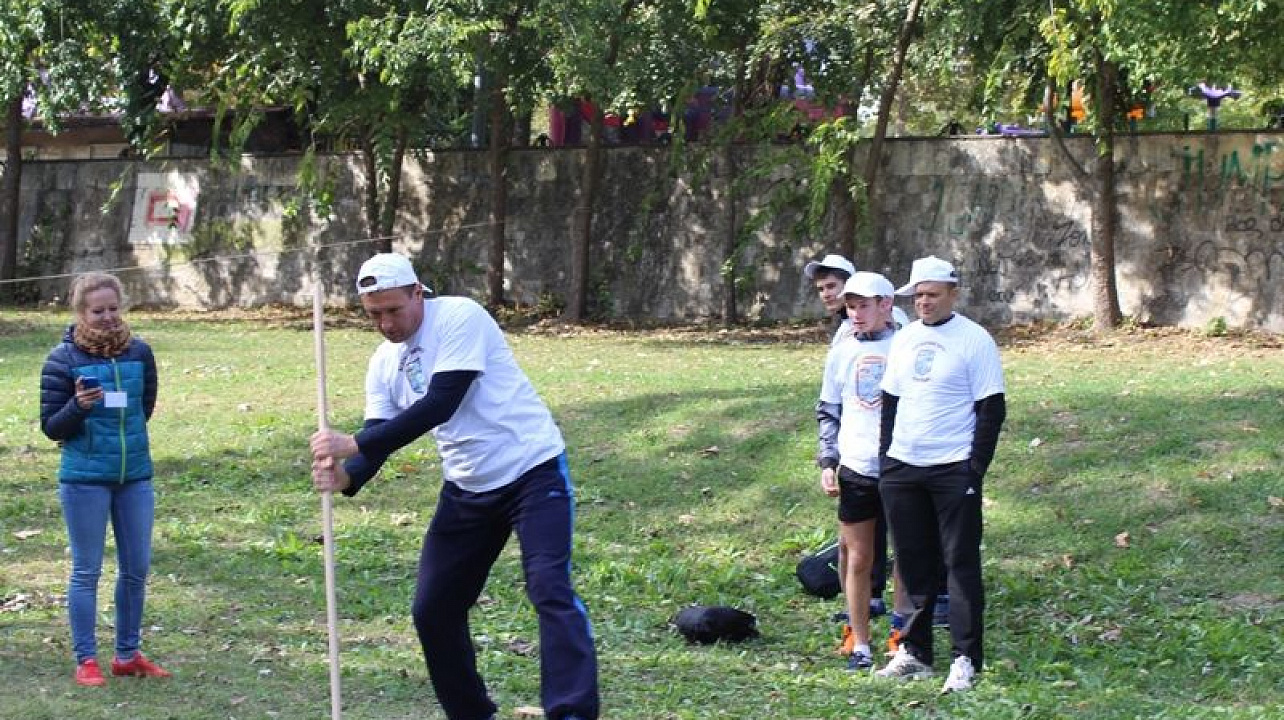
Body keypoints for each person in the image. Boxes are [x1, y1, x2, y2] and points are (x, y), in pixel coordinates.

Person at [309, 253, 599, 720]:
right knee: (433, 609)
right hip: (467, 488)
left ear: (417, 292)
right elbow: (380, 436)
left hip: (531, 470)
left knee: (549, 588)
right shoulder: (384, 362)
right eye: (373, 314)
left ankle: (571, 713)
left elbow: (442, 402)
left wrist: (353, 442)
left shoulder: (461, 316)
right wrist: (348, 475)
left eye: (393, 310)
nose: (385, 323)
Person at [875, 256, 1006, 693]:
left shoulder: (974, 339)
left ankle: (965, 658)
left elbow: (991, 407)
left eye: (932, 294)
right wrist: (887, 460)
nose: (924, 302)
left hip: (952, 466)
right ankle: (914, 651)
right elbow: (890, 401)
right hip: (903, 466)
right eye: (918, 295)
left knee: (960, 564)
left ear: (953, 293)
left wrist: (974, 468)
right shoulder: (905, 338)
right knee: (912, 563)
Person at [39, 272, 169, 687]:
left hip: (134, 477)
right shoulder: (62, 361)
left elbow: (142, 408)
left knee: (136, 569)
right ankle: (86, 660)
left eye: (113, 309)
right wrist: (79, 406)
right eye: (98, 311)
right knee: (86, 570)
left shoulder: (140, 353)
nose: (109, 318)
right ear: (80, 313)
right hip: (83, 479)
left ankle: (127, 655)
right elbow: (52, 427)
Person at [815, 272, 900, 671]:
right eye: (850, 306)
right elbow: (828, 409)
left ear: (886, 304)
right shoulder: (842, 349)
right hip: (857, 466)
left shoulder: (907, 344)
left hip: (903, 465)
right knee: (859, 556)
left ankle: (901, 634)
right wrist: (828, 461)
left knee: (906, 556)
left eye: (863, 305)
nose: (855, 313)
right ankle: (860, 640)